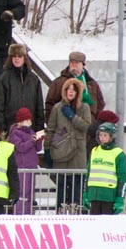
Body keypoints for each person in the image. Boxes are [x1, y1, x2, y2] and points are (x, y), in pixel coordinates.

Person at [45, 78, 92, 213]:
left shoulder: (84, 107)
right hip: (61, 150)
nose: (71, 92)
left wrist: (72, 117)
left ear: (78, 92)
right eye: (68, 89)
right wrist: (47, 148)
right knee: (61, 184)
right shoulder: (57, 108)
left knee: (76, 184)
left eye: (74, 89)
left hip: (78, 151)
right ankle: (60, 211)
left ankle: (75, 210)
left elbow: (87, 127)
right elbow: (51, 129)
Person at [0, 43, 44, 132]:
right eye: (14, 56)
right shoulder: (4, 78)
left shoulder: (34, 79)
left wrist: (40, 128)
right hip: (10, 127)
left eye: (19, 56)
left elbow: (39, 106)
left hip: (30, 128)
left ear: (24, 57)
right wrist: (2, 128)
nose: (16, 58)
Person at [45, 51, 106, 124]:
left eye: (76, 63)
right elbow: (50, 104)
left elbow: (100, 104)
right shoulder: (59, 82)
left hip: (88, 127)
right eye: (71, 62)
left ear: (82, 65)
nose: (73, 65)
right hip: (66, 128)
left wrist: (95, 123)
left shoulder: (91, 83)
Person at [83, 123, 126, 215]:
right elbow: (88, 175)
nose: (102, 138)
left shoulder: (118, 154)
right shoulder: (94, 151)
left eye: (105, 135)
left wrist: (120, 199)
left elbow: (123, 178)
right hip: (94, 196)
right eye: (100, 135)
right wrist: (86, 194)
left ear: (111, 137)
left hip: (109, 197)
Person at [8, 107, 44, 215]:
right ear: (21, 121)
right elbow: (20, 147)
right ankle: (19, 215)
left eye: (29, 119)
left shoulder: (31, 132)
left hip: (31, 167)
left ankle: (28, 214)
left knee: (30, 194)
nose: (29, 121)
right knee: (22, 194)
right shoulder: (15, 133)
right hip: (22, 167)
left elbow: (37, 149)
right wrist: (32, 141)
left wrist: (39, 141)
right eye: (27, 119)